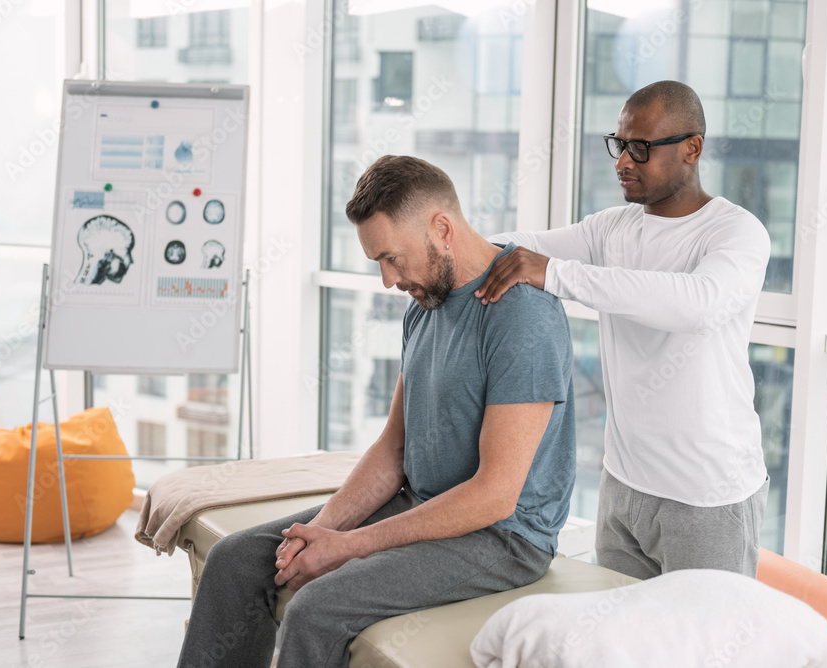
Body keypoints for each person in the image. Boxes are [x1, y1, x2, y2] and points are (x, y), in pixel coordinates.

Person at [177, 155, 576, 668]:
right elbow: (394, 449)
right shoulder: (425, 304)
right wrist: (317, 534)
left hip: (501, 537)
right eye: (378, 263)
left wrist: (347, 548)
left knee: (317, 608)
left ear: (441, 228)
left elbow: (494, 497)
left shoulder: (521, 317)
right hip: (419, 502)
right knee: (236, 560)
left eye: (392, 258)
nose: (389, 280)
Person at [475, 80, 771, 580]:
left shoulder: (735, 231)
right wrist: (451, 242)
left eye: (640, 148)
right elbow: (521, 244)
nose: (623, 162)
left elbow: (696, 305)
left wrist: (555, 273)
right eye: (619, 144)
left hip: (707, 495)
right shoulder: (612, 227)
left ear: (692, 148)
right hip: (623, 485)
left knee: (701, 651)